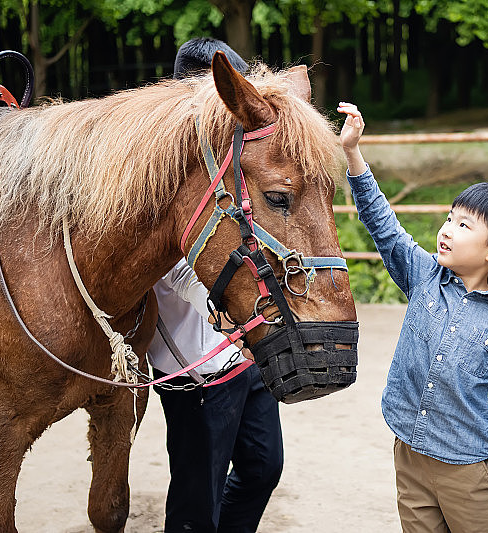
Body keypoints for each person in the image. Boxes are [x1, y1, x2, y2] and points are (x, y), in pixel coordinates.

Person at [337, 101, 488, 533]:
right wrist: (353, 153)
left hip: (470, 472)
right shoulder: (423, 274)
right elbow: (383, 223)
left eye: (465, 226)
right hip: (409, 455)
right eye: (450, 218)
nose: (447, 229)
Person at [146, 38, 282, 533]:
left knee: (264, 467)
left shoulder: (230, 159)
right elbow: (162, 262)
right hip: (194, 360)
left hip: (244, 345)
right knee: (195, 492)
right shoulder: (159, 161)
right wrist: (225, 302)